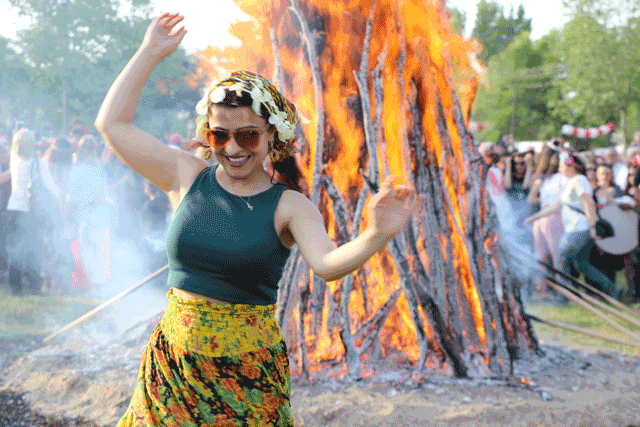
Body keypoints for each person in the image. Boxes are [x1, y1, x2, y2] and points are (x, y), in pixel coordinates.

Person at [95, 13, 424, 426]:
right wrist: (150, 52)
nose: (232, 148)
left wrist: (376, 234)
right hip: (174, 366)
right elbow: (112, 125)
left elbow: (327, 265)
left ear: (274, 135)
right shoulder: (186, 176)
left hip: (246, 376)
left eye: (248, 135)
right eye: (219, 136)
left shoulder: (288, 205)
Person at [524, 151, 625, 302]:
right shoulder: (569, 182)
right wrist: (535, 217)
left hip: (580, 228)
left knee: (561, 259)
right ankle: (613, 288)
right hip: (573, 228)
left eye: (561, 165)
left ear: (570, 166)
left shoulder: (580, 180)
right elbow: (557, 205)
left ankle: (563, 297)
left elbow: (588, 203)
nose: (559, 168)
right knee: (582, 265)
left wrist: (592, 227)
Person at [527, 145, 565, 302]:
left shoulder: (545, 178)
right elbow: (532, 198)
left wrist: (544, 202)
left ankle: (546, 289)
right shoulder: (557, 178)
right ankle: (555, 290)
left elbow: (531, 198)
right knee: (554, 256)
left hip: (544, 217)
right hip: (551, 217)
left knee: (546, 256)